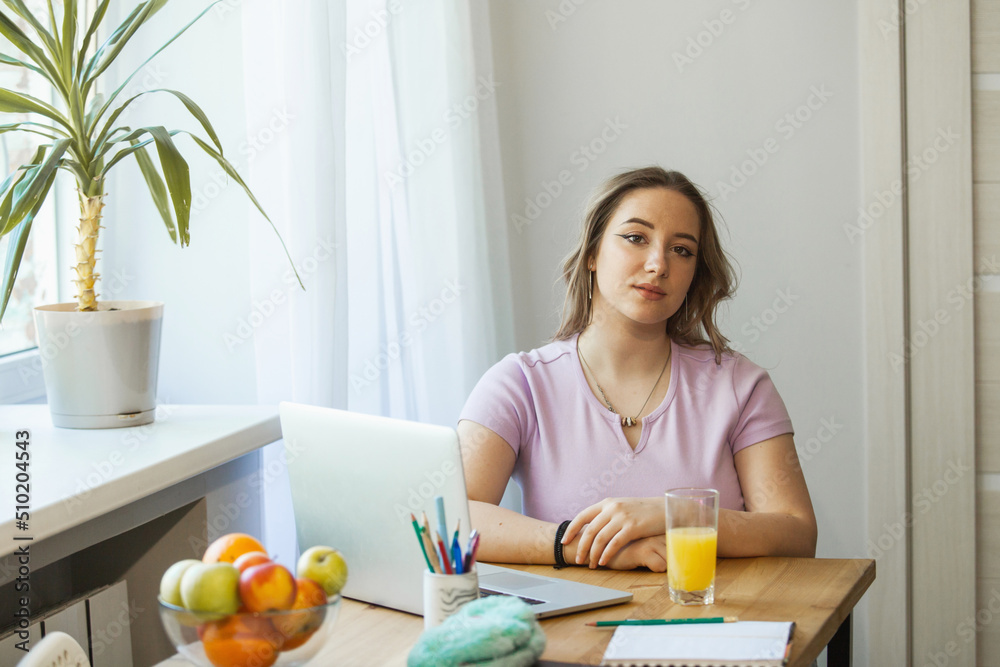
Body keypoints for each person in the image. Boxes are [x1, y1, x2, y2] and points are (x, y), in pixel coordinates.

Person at [458, 166, 817, 571]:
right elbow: (452, 519)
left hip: (714, 621)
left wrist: (674, 515)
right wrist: (578, 546)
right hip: (570, 631)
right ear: (592, 253)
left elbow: (796, 533)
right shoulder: (519, 383)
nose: (658, 264)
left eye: (681, 250)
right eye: (635, 238)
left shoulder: (741, 385)